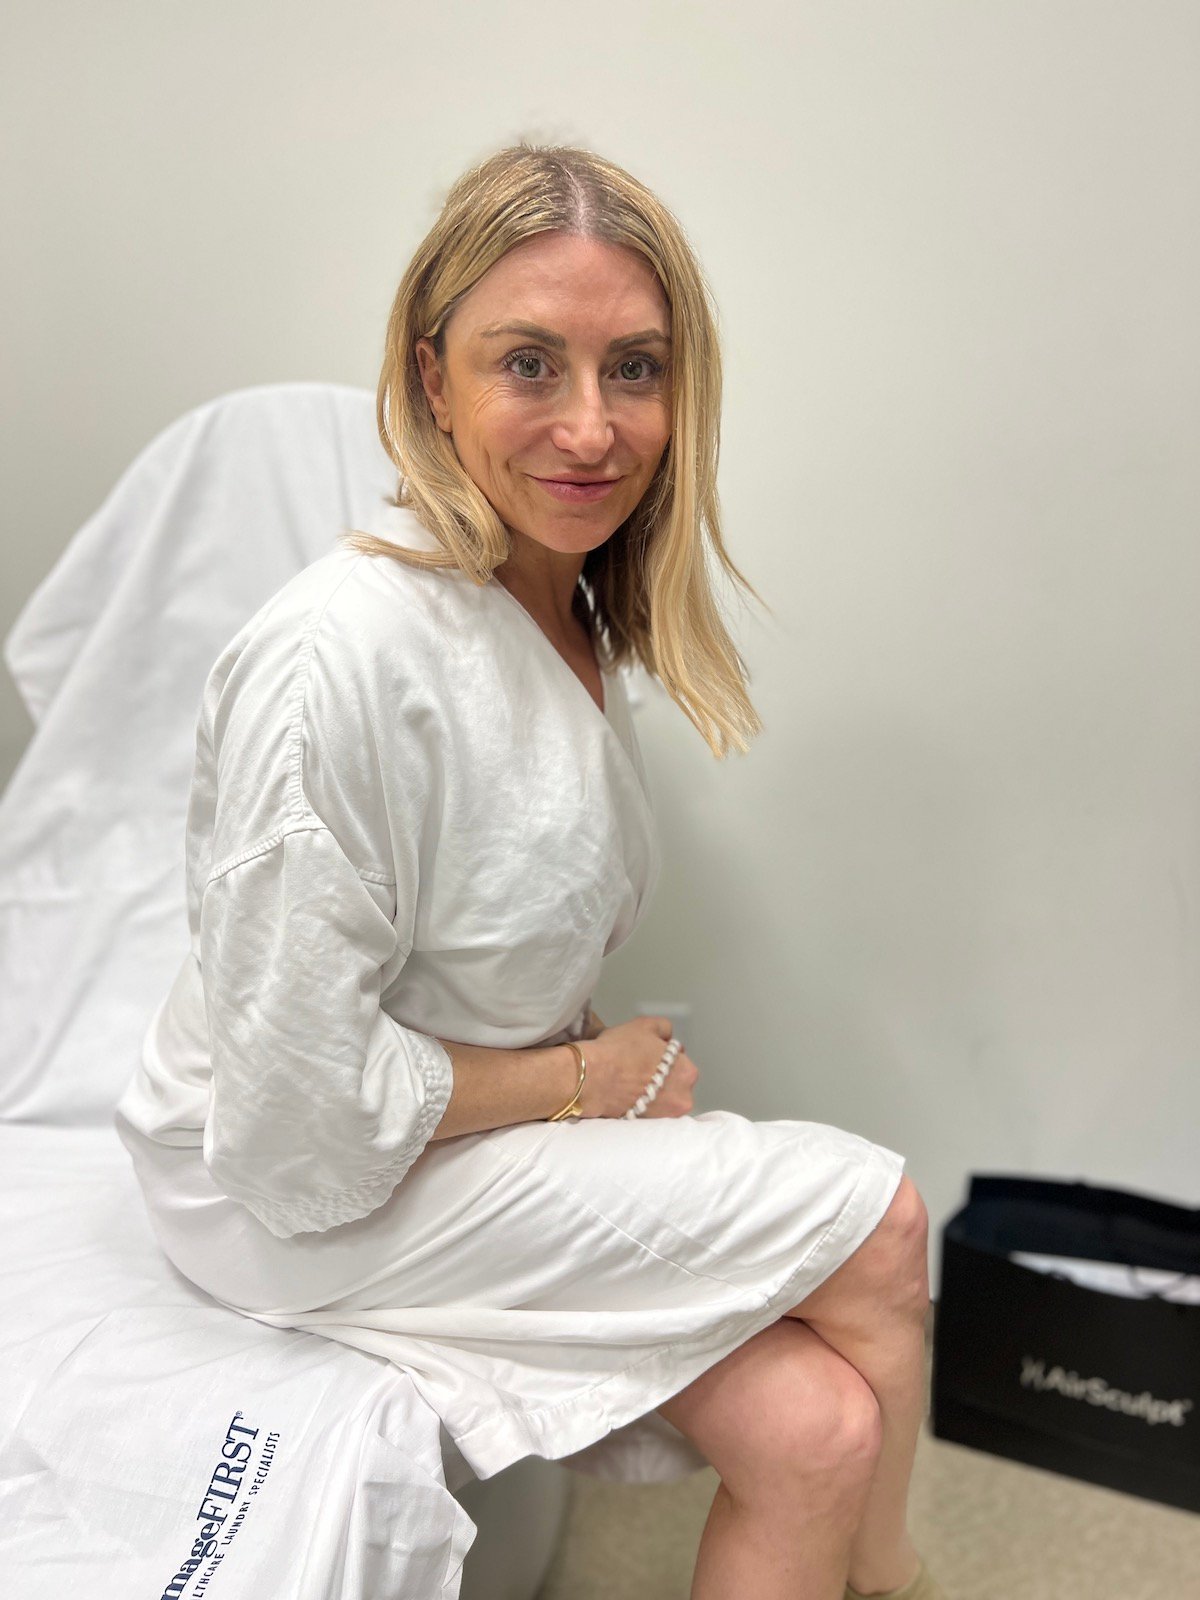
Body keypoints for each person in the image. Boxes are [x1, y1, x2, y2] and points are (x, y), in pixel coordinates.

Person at [113, 141, 944, 1600]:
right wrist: (589, 1080)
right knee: (880, 1229)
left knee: (814, 1430)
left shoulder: (557, 611)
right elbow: (296, 1121)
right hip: (284, 1193)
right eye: (529, 364)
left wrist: (587, 1076)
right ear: (432, 381)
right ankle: (902, 1583)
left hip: (428, 1139)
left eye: (634, 368)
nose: (592, 427)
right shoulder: (346, 662)